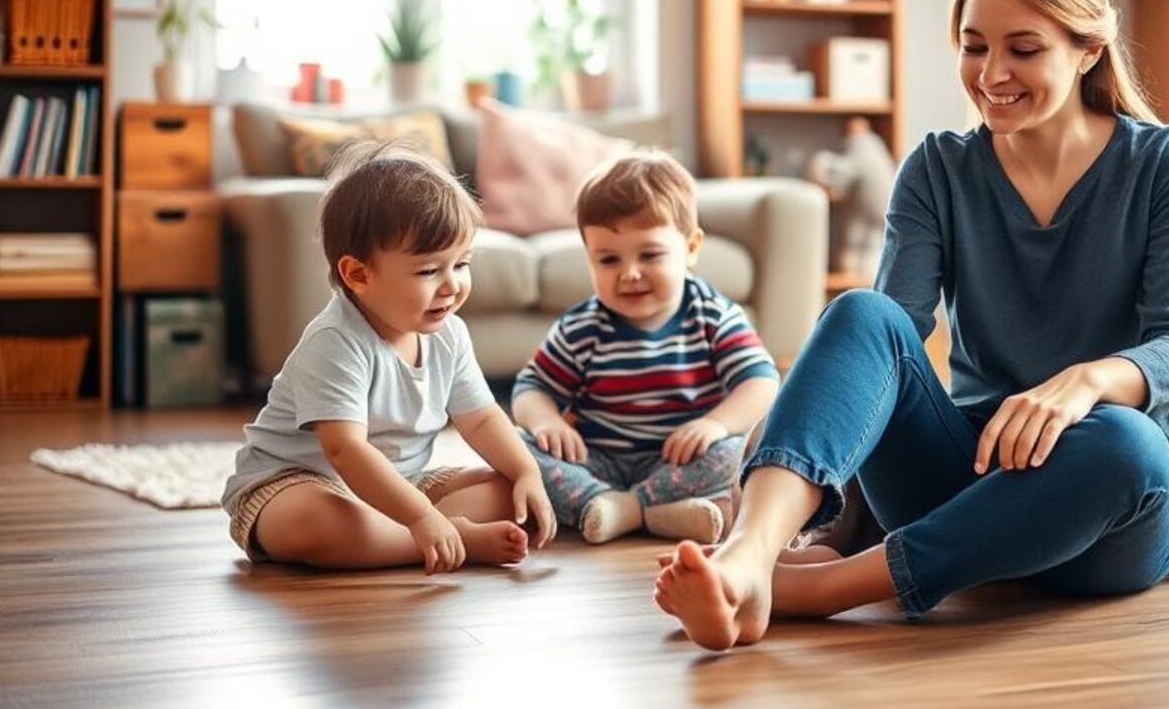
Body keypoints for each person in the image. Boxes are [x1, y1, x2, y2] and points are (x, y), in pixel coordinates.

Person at [654, 0, 1169, 650]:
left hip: (1112, 508)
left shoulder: (1166, 160)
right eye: (974, 46)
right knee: (863, 310)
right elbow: (888, 339)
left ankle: (824, 590)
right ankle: (750, 560)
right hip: (969, 475)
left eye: (1023, 48)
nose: (991, 73)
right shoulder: (938, 168)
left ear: (1088, 49)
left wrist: (1085, 383)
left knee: (1130, 445)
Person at [222, 143, 555, 571]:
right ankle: (451, 539)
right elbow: (345, 451)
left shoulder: (449, 334)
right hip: (299, 483)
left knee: (505, 491)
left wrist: (527, 471)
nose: (452, 286)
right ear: (358, 275)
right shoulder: (336, 340)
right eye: (430, 271)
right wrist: (420, 517)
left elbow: (483, 418)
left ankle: (428, 534)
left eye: (462, 264)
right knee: (315, 524)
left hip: (403, 483)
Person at [512, 152, 780, 545]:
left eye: (650, 255)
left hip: (680, 463)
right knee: (517, 446)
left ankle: (626, 510)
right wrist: (546, 422)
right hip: (596, 463)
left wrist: (715, 423)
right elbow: (531, 388)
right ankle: (627, 508)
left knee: (739, 450)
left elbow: (761, 383)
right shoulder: (582, 327)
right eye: (608, 260)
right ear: (588, 258)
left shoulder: (712, 315)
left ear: (690, 248)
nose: (630, 273)